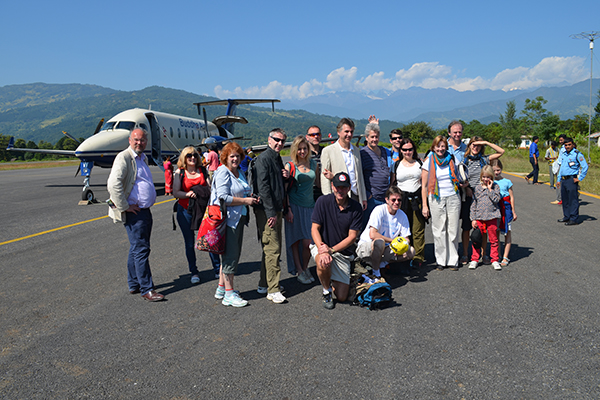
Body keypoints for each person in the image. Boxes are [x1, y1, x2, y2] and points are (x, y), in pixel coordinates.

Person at [106, 128, 163, 301]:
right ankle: (147, 289)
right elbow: (113, 183)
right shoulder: (124, 157)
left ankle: (134, 284)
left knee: (136, 249)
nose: (140, 143)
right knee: (141, 250)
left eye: (143, 140)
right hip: (135, 212)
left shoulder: (142, 158)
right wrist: (124, 206)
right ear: (130, 140)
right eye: (136, 139)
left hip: (144, 211)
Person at [211, 142, 259, 307]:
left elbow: (243, 190)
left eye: (238, 155)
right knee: (231, 256)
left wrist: (250, 195)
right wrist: (246, 200)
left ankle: (221, 288)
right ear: (225, 157)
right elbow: (223, 197)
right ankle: (229, 294)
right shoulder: (223, 172)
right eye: (232, 156)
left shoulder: (238, 172)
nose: (235, 159)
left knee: (229, 254)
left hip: (238, 218)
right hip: (228, 219)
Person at [311, 172, 363, 309]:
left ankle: (332, 276)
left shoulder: (356, 207)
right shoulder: (322, 201)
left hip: (341, 252)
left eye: (344, 187)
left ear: (349, 187)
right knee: (323, 262)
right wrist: (322, 249)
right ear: (332, 186)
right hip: (321, 245)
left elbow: (352, 237)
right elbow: (314, 229)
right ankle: (326, 291)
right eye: (338, 187)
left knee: (342, 297)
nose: (341, 190)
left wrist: (332, 250)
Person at [253, 128, 290, 304]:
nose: (279, 143)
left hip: (276, 209)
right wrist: (270, 213)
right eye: (276, 140)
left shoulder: (276, 158)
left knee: (269, 250)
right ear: (269, 139)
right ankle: (273, 289)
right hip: (268, 211)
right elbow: (263, 188)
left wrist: (286, 176)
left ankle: (264, 284)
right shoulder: (264, 159)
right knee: (273, 249)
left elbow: (277, 184)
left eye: (282, 141)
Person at [460, 136, 504, 265]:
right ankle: (466, 254)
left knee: (483, 226)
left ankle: (484, 254)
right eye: (473, 144)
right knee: (467, 226)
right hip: (469, 194)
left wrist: (485, 142)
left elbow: (501, 152)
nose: (476, 147)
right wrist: (467, 188)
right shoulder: (465, 160)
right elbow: (461, 176)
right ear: (469, 146)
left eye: (478, 145)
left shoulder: (484, 159)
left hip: (484, 194)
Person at [172, 146, 212, 285]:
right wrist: (187, 194)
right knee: (189, 243)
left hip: (202, 210)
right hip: (186, 211)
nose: (193, 158)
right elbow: (175, 192)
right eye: (189, 156)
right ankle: (194, 271)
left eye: (195, 155)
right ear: (184, 157)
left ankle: (218, 268)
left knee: (209, 239)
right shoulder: (179, 172)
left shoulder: (202, 170)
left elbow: (210, 189)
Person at [421, 136, 462, 271]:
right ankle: (441, 260)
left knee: (453, 229)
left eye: (443, 146)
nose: (440, 149)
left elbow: (458, 175)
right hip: (436, 197)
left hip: (453, 196)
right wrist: (425, 205)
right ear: (433, 147)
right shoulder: (429, 161)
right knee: (439, 230)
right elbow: (424, 185)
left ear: (446, 147)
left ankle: (453, 260)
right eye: (438, 146)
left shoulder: (452, 159)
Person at [356, 186, 415, 277]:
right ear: (387, 200)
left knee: (410, 251)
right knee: (380, 242)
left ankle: (381, 263)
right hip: (367, 246)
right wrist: (393, 242)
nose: (396, 202)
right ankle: (376, 273)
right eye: (393, 200)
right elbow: (373, 234)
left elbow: (406, 239)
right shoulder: (379, 210)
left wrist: (400, 247)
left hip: (387, 248)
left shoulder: (402, 215)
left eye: (399, 200)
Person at [284, 135, 318, 284]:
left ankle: (305, 267)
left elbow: (317, 185)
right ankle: (299, 270)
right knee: (295, 240)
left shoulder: (313, 164)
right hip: (295, 206)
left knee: (308, 242)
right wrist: (288, 209)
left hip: (310, 206)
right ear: (295, 150)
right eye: (300, 148)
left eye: (305, 148)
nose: (302, 151)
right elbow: (285, 191)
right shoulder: (290, 166)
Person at [391, 138, 425, 268]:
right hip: (401, 200)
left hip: (417, 198)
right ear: (401, 150)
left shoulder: (419, 163)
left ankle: (418, 257)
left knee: (418, 229)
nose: (407, 152)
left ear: (414, 150)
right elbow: (393, 183)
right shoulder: (396, 165)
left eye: (410, 149)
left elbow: (424, 184)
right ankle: (403, 255)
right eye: (404, 150)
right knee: (402, 229)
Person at [320, 118, 367, 210]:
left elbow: (360, 176)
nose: (349, 134)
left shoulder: (356, 151)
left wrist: (363, 197)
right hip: (338, 196)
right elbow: (324, 177)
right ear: (339, 132)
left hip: (355, 195)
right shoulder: (328, 151)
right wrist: (328, 198)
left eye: (351, 132)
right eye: (346, 131)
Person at [468, 165, 502, 270]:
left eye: (488, 177)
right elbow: (473, 204)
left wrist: (490, 189)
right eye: (484, 177)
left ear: (492, 177)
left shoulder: (495, 187)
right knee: (477, 239)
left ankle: (495, 259)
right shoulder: (477, 188)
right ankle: (474, 259)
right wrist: (473, 218)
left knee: (493, 240)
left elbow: (496, 200)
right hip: (479, 217)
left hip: (492, 217)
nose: (486, 179)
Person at [360, 122, 391, 229]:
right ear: (366, 138)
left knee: (383, 227)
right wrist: (367, 194)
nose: (374, 139)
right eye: (372, 137)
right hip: (372, 198)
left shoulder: (383, 151)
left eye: (376, 137)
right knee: (370, 227)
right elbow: (360, 175)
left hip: (385, 197)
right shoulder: (363, 153)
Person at [491, 159, 517, 267]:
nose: (497, 172)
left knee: (507, 232)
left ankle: (506, 256)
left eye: (498, 170)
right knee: (496, 232)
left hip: (506, 209)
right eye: (494, 171)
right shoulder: (491, 182)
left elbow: (511, 197)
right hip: (496, 208)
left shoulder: (507, 182)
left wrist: (513, 211)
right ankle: (498, 255)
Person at [557, 137, 588, 225]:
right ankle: (567, 216)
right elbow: (562, 168)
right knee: (565, 200)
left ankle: (574, 218)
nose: (567, 147)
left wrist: (580, 178)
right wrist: (559, 179)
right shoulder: (563, 154)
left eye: (569, 145)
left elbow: (585, 166)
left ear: (572, 144)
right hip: (564, 180)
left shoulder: (577, 154)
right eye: (566, 145)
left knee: (573, 200)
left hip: (571, 179)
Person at [306, 125, 324, 202]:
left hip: (325, 190)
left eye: (318, 134)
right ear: (307, 137)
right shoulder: (304, 153)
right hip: (309, 191)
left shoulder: (326, 151)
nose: (316, 137)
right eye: (312, 135)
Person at [551, 134, 567, 205]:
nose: (560, 141)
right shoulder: (562, 147)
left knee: (559, 182)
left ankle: (559, 199)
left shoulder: (565, 148)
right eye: (559, 140)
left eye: (561, 140)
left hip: (562, 166)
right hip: (559, 165)